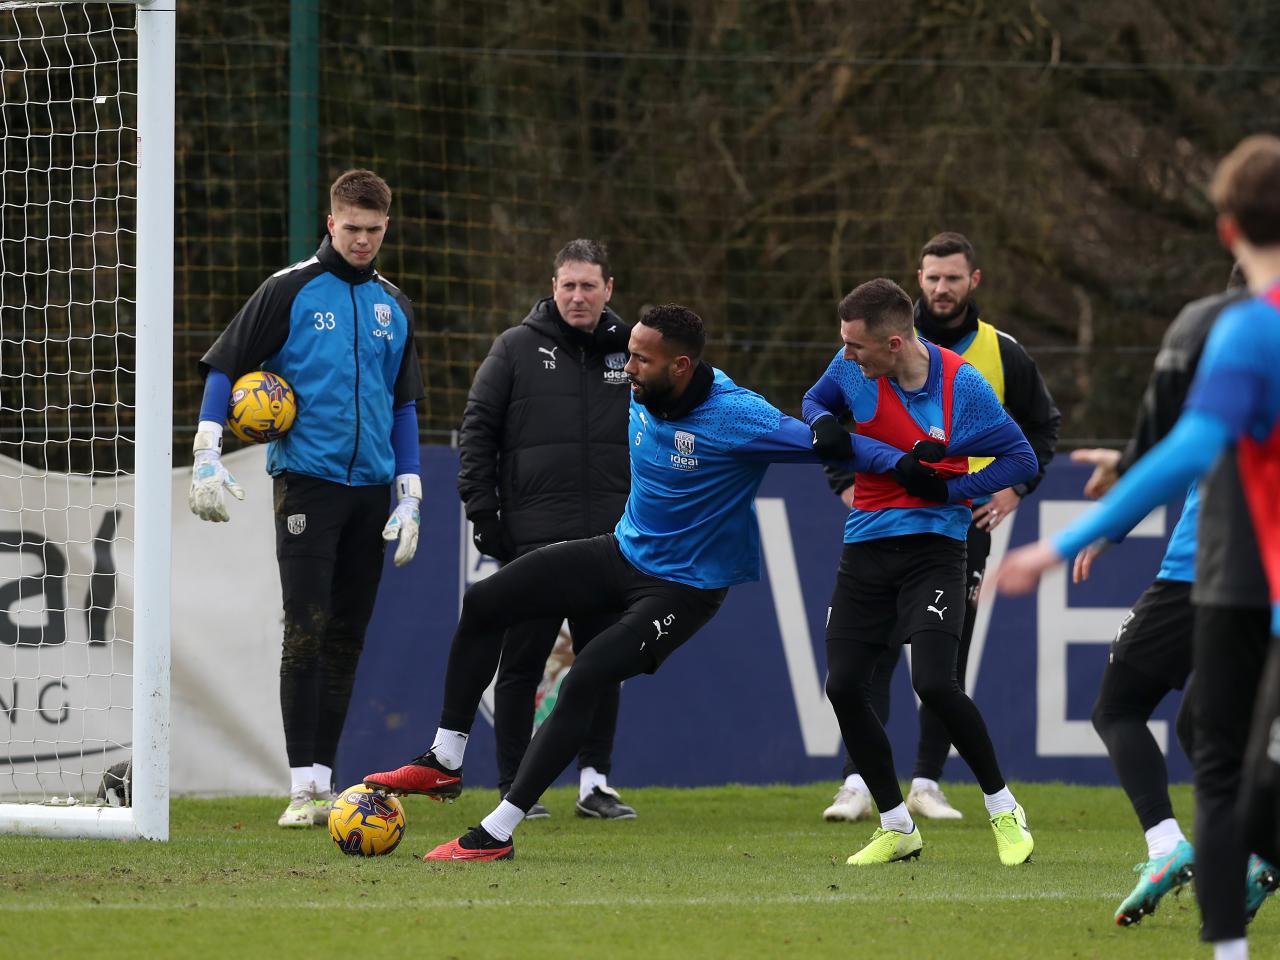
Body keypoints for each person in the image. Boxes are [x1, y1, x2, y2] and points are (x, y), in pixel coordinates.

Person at [363, 303, 909, 861]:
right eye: (628, 355)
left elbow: (831, 445)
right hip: (620, 553)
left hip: (683, 589)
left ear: (680, 367)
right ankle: (445, 760)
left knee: (583, 680)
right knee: (483, 601)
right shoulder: (644, 376)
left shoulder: (739, 416)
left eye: (640, 361)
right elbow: (589, 333)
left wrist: (914, 464)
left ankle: (497, 832)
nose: (627, 368)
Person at [995, 134, 1280, 960]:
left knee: (1221, 773)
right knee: (1226, 762)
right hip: (1241, 587)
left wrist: (1068, 541)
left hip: (1240, 584)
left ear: (1227, 230)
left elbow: (1191, 449)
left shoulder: (1241, 332)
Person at [188, 169, 425, 828]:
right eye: (352, 228)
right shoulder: (289, 289)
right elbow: (224, 363)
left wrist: (410, 492)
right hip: (307, 485)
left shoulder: (395, 306)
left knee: (348, 637)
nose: (363, 241)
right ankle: (300, 788)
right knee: (306, 630)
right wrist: (207, 450)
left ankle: (325, 780)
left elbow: (403, 403)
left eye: (375, 231)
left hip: (372, 491)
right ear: (331, 222)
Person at [821, 233, 1060, 823]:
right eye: (931, 276)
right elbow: (822, 407)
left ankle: (931, 780)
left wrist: (989, 489)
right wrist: (841, 472)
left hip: (949, 530)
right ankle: (868, 789)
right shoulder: (861, 353)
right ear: (918, 279)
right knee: (856, 673)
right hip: (873, 531)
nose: (941, 287)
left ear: (972, 280)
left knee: (938, 674)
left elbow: (1034, 439)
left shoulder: (990, 359)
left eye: (952, 277)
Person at [1071, 265, 1267, 926]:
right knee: (1203, 727)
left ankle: (1166, 846)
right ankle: (1258, 854)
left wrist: (1105, 526)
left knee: (1118, 707)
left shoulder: (1226, 347)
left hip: (1199, 573)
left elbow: (1173, 455)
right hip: (1258, 583)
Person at [458, 238, 635, 820]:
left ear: (609, 289)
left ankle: (595, 784)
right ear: (553, 287)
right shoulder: (514, 348)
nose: (578, 296)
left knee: (602, 663)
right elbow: (477, 431)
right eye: (568, 285)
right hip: (535, 540)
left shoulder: (634, 352)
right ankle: (515, 787)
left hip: (611, 542)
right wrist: (484, 514)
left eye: (589, 286)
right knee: (520, 667)